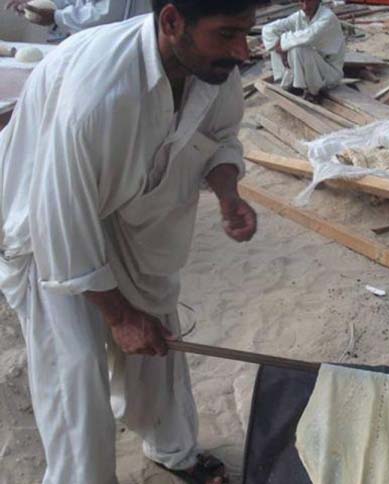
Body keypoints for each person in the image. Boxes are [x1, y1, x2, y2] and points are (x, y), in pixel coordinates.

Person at [0, 0, 260, 482]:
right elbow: (62, 223)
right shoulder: (97, 96)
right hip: (42, 215)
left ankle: (171, 448)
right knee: (76, 365)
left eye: (246, 33)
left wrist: (228, 194)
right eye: (227, 34)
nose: (242, 51)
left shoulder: (211, 68)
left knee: (157, 325)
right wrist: (118, 317)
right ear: (172, 22)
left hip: (126, 205)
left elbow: (220, 137)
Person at [262, 0, 345, 102]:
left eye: (309, 1)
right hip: (315, 67)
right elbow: (268, 29)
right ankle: (291, 82)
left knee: (299, 48)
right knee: (276, 42)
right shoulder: (300, 16)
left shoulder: (328, 18)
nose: (305, 6)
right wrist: (280, 47)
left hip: (330, 74)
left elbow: (309, 36)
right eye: (302, 1)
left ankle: (312, 92)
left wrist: (282, 43)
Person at [5, 0, 151, 35]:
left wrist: (56, 17)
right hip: (93, 43)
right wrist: (36, 4)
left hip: (123, 43)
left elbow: (107, 15)